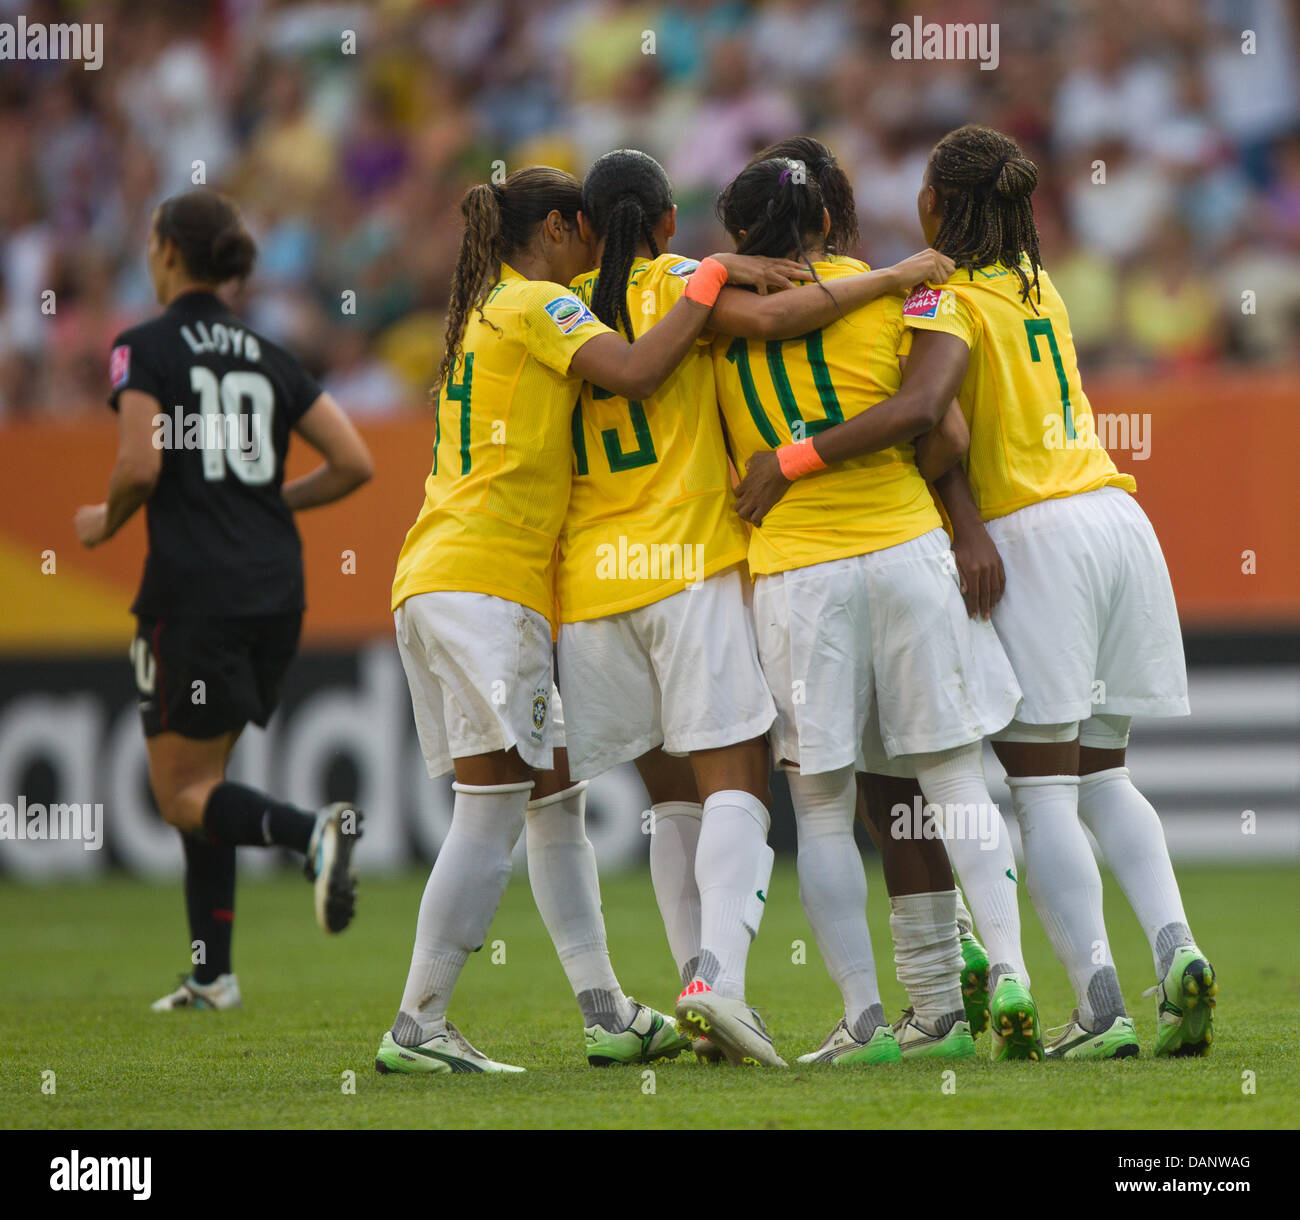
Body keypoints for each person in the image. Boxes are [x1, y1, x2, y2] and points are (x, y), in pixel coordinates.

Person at [735, 125, 1216, 1060]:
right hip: (1118, 519)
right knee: (1107, 778)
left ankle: (1101, 1004)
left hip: (1036, 533)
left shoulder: (941, 295)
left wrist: (808, 463)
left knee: (1040, 791)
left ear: (937, 207)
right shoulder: (1043, 285)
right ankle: (1179, 949)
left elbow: (926, 416)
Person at [374, 165, 806, 1075]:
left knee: (553, 797)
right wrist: (719, 274)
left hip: (469, 577)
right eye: (580, 233)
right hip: (493, 584)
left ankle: (605, 1008)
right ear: (565, 225)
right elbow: (644, 369)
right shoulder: (542, 302)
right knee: (493, 810)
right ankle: (419, 1024)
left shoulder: (480, 313)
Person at [559, 148, 953, 1066]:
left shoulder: (561, 311)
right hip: (690, 567)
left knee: (669, 811)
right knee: (737, 792)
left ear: (583, 229)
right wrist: (885, 278)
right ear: (664, 223)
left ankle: (694, 997)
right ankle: (715, 984)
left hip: (592, 582)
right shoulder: (678, 288)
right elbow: (776, 315)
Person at [715, 156, 1042, 1063]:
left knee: (822, 811)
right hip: (905, 550)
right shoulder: (895, 293)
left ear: (742, 234)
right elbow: (943, 429)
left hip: (798, 571)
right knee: (952, 781)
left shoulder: (717, 323)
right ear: (828, 217)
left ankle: (868, 1020)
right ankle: (1010, 970)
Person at [74, 188, 373, 1011]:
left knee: (180, 793)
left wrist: (104, 524)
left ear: (168, 250)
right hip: (275, 589)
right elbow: (355, 461)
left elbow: (138, 466)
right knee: (206, 784)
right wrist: (275, 504)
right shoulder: (266, 354)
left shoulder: (143, 347)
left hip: (194, 589)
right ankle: (213, 975)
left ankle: (310, 834)